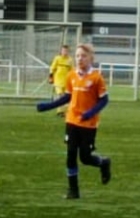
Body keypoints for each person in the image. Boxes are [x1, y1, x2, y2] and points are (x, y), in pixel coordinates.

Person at [36, 43, 112, 199]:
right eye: (77, 56)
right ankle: (73, 190)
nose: (79, 59)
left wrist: (90, 113)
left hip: (89, 124)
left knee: (85, 158)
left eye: (83, 56)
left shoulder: (96, 77)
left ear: (91, 58)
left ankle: (103, 163)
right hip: (71, 120)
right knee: (71, 154)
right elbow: (68, 97)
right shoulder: (71, 75)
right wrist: (48, 106)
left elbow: (104, 100)